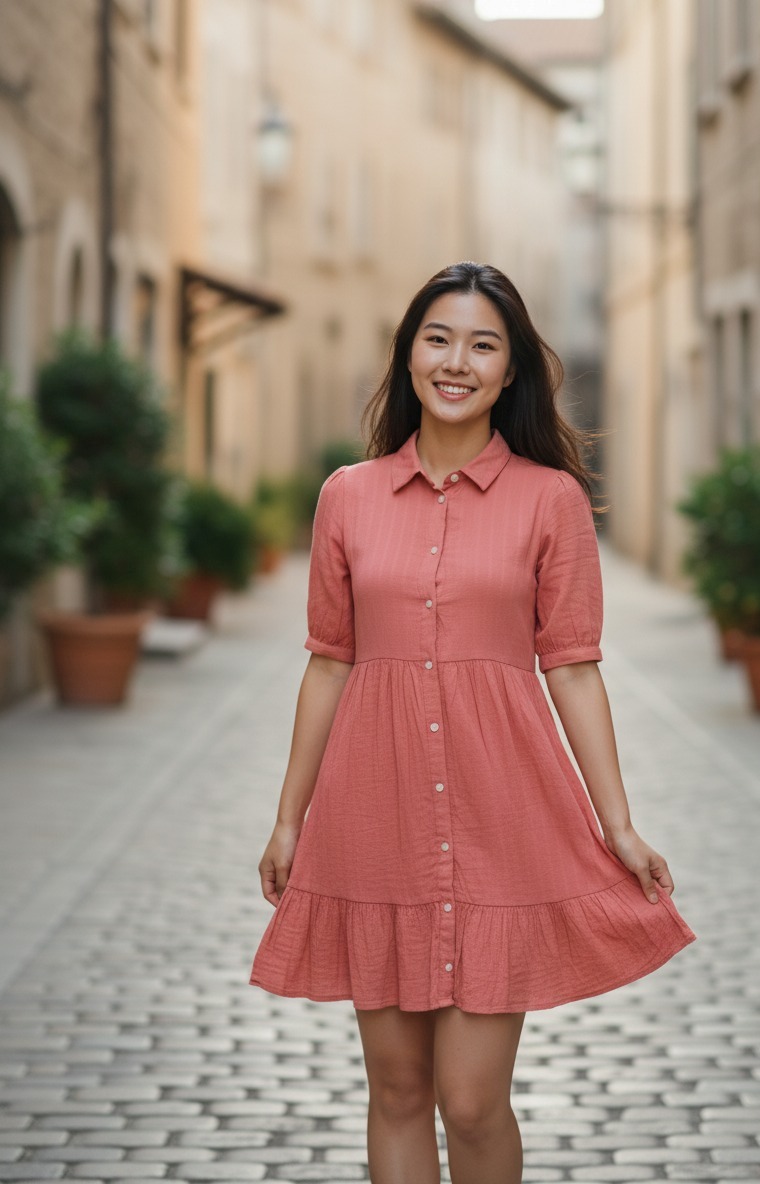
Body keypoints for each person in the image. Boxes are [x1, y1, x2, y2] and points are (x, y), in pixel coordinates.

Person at [249, 261, 697, 1184]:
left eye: (483, 345)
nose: (457, 362)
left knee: (472, 1099)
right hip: (371, 818)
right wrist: (290, 818)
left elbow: (572, 667)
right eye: (438, 339)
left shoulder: (551, 501)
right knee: (400, 1092)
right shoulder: (347, 495)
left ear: (510, 371)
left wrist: (617, 823)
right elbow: (329, 660)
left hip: (505, 819)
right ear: (410, 355)